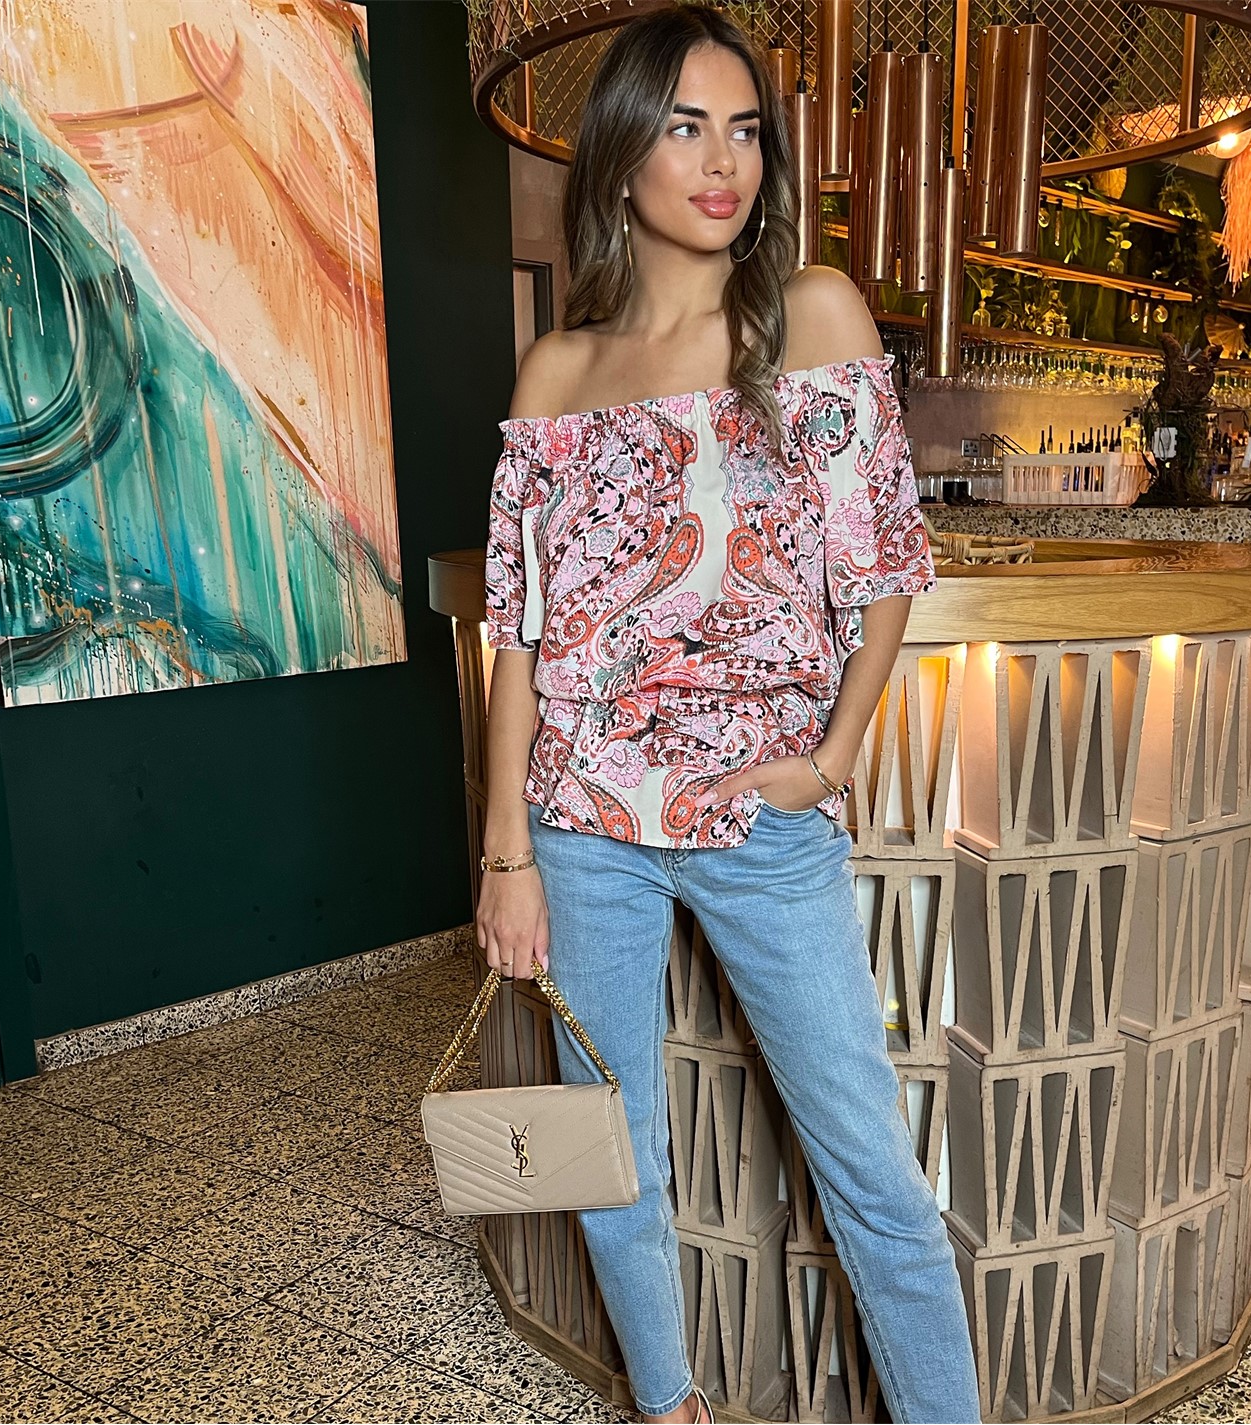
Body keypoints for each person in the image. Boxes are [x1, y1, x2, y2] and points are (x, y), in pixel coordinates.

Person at [476, 6, 981, 1422]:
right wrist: (505, 852)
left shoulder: (806, 314)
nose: (722, 163)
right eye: (686, 127)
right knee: (607, 1150)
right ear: (621, 152)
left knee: (870, 1171)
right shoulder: (558, 373)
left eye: (745, 131)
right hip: (583, 820)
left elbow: (882, 567)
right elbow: (521, 636)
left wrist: (829, 757)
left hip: (756, 814)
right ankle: (669, 1405)